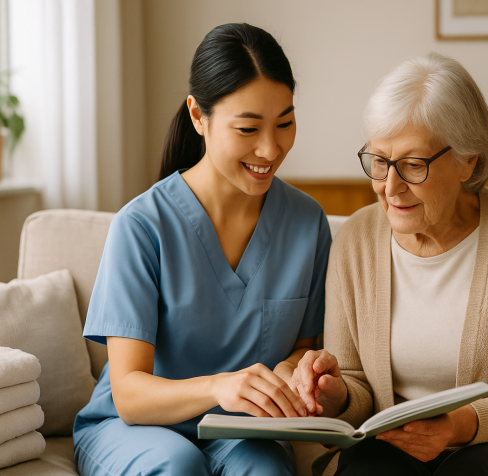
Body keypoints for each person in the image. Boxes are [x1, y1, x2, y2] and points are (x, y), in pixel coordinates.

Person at [288, 53, 488, 476]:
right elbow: (358, 384)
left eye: (414, 165)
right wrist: (335, 394)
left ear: (468, 160)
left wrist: (453, 427)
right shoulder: (355, 241)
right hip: (394, 441)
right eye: (379, 162)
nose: (390, 188)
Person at [73, 23, 331, 476]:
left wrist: (297, 374)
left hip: (242, 431)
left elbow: (301, 348)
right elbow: (130, 394)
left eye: (285, 123)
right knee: (177, 464)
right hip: (133, 429)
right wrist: (221, 387)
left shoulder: (307, 223)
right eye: (248, 128)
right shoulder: (141, 226)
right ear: (198, 116)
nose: (270, 148)